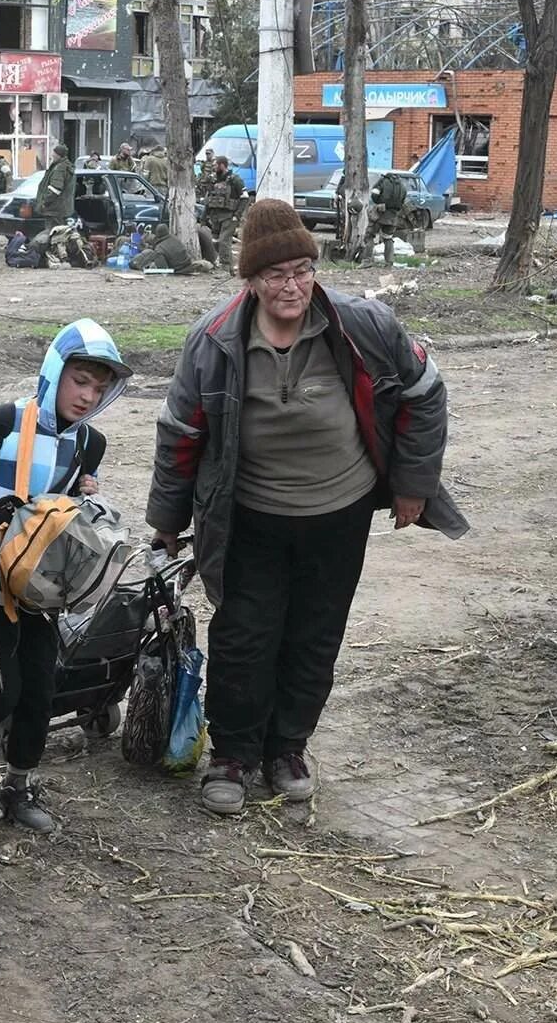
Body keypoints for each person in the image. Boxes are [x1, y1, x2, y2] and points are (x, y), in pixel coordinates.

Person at [146, 201, 468, 816]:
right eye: (275, 275)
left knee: (315, 633)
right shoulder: (214, 340)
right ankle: (234, 755)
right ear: (250, 281)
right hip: (250, 515)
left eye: (302, 270)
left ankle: (288, 747)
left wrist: (412, 484)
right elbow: (179, 432)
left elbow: (426, 394)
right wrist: (167, 517)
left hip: (339, 510)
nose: (291, 286)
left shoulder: (362, 324)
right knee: (245, 634)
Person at [0, 322, 131, 832]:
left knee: (41, 689)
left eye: (98, 387)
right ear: (53, 372)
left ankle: (17, 789)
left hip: (41, 594)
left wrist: (91, 497)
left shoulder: (89, 444)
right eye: (79, 380)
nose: (88, 396)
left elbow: (70, 519)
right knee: (1, 693)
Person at [200, 154, 243, 269]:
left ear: (222, 165)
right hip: (215, 217)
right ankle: (230, 263)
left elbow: (244, 198)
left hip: (229, 216)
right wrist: (204, 218)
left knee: (224, 241)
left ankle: (225, 267)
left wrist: (237, 215)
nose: (213, 167)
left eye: (215, 165)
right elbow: (209, 200)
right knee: (215, 241)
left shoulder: (235, 180)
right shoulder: (213, 181)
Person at [366, 171, 411, 265]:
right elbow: (403, 201)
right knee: (388, 238)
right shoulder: (402, 186)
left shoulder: (383, 182)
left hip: (380, 213)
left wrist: (378, 202)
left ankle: (367, 260)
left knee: (369, 236)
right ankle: (389, 262)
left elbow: (374, 194)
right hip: (394, 215)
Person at [34, 140, 76, 227]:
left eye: (54, 153)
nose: (52, 155)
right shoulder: (65, 166)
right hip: (61, 209)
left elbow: (55, 189)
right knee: (60, 234)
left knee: (53, 234)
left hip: (54, 210)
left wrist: (44, 202)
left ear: (59, 155)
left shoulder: (60, 168)